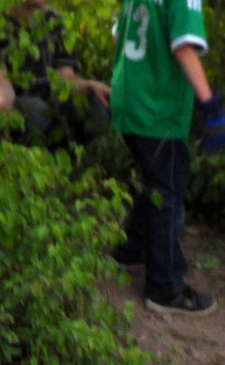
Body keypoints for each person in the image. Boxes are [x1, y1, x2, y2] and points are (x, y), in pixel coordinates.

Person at [109, 0, 223, 317]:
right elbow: (184, 47)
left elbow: (121, 35)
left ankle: (133, 247)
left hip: (129, 99)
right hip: (158, 111)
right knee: (167, 191)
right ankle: (165, 286)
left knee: (159, 180)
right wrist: (210, 104)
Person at [0, 0, 111, 146]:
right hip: (17, 106)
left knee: (97, 109)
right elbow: (3, 92)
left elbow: (65, 78)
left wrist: (90, 86)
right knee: (35, 110)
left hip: (49, 103)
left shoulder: (55, 22)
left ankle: (66, 155)